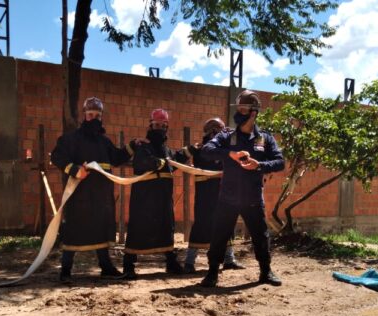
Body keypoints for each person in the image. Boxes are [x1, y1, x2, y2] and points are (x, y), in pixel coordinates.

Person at [199, 90, 285, 287]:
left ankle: (266, 271)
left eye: (243, 109)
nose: (238, 113)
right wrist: (231, 154)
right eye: (238, 109)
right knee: (220, 234)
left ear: (253, 113)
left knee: (260, 235)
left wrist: (260, 165)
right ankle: (212, 273)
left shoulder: (265, 138)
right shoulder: (226, 135)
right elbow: (207, 150)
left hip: (253, 197)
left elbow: (280, 162)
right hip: (228, 197)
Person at [50, 97, 131, 282]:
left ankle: (106, 266)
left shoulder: (104, 142)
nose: (94, 118)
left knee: (100, 228)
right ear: (84, 116)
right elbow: (57, 156)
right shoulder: (71, 139)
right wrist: (75, 170)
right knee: (74, 229)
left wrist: (132, 147)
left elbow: (116, 158)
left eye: (97, 115)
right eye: (90, 115)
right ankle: (66, 270)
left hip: (101, 195)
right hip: (80, 195)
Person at [122, 108, 188, 279]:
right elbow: (143, 161)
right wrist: (160, 162)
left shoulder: (166, 150)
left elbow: (176, 159)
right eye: (156, 124)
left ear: (166, 127)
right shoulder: (144, 146)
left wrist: (192, 150)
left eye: (163, 125)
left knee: (166, 227)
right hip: (144, 198)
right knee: (138, 228)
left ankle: (171, 262)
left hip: (163, 197)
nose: (159, 128)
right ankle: (128, 265)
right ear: (150, 125)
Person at [183, 117, 243, 273]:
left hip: (223, 192)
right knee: (201, 224)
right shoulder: (202, 149)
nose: (217, 133)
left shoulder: (226, 148)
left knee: (226, 223)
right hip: (205, 194)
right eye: (215, 130)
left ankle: (229, 259)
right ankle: (189, 262)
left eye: (220, 130)